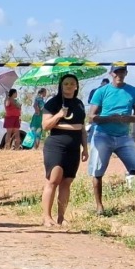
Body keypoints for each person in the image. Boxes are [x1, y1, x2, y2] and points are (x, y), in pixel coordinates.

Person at [88, 66, 135, 213]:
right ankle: (99, 206)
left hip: (123, 137)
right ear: (111, 73)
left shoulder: (133, 91)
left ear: (126, 73)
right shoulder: (101, 91)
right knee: (97, 170)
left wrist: (127, 118)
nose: (119, 74)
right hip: (102, 135)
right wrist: (110, 118)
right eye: (116, 71)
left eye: (122, 71)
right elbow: (92, 117)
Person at [40, 74, 88, 227]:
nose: (68, 86)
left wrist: (85, 148)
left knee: (67, 182)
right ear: (61, 86)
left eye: (72, 83)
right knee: (53, 180)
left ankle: (61, 217)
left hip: (74, 148)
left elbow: (82, 129)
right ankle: (47, 217)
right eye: (66, 83)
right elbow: (45, 125)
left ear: (76, 86)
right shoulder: (53, 102)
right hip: (56, 146)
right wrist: (60, 114)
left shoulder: (79, 104)